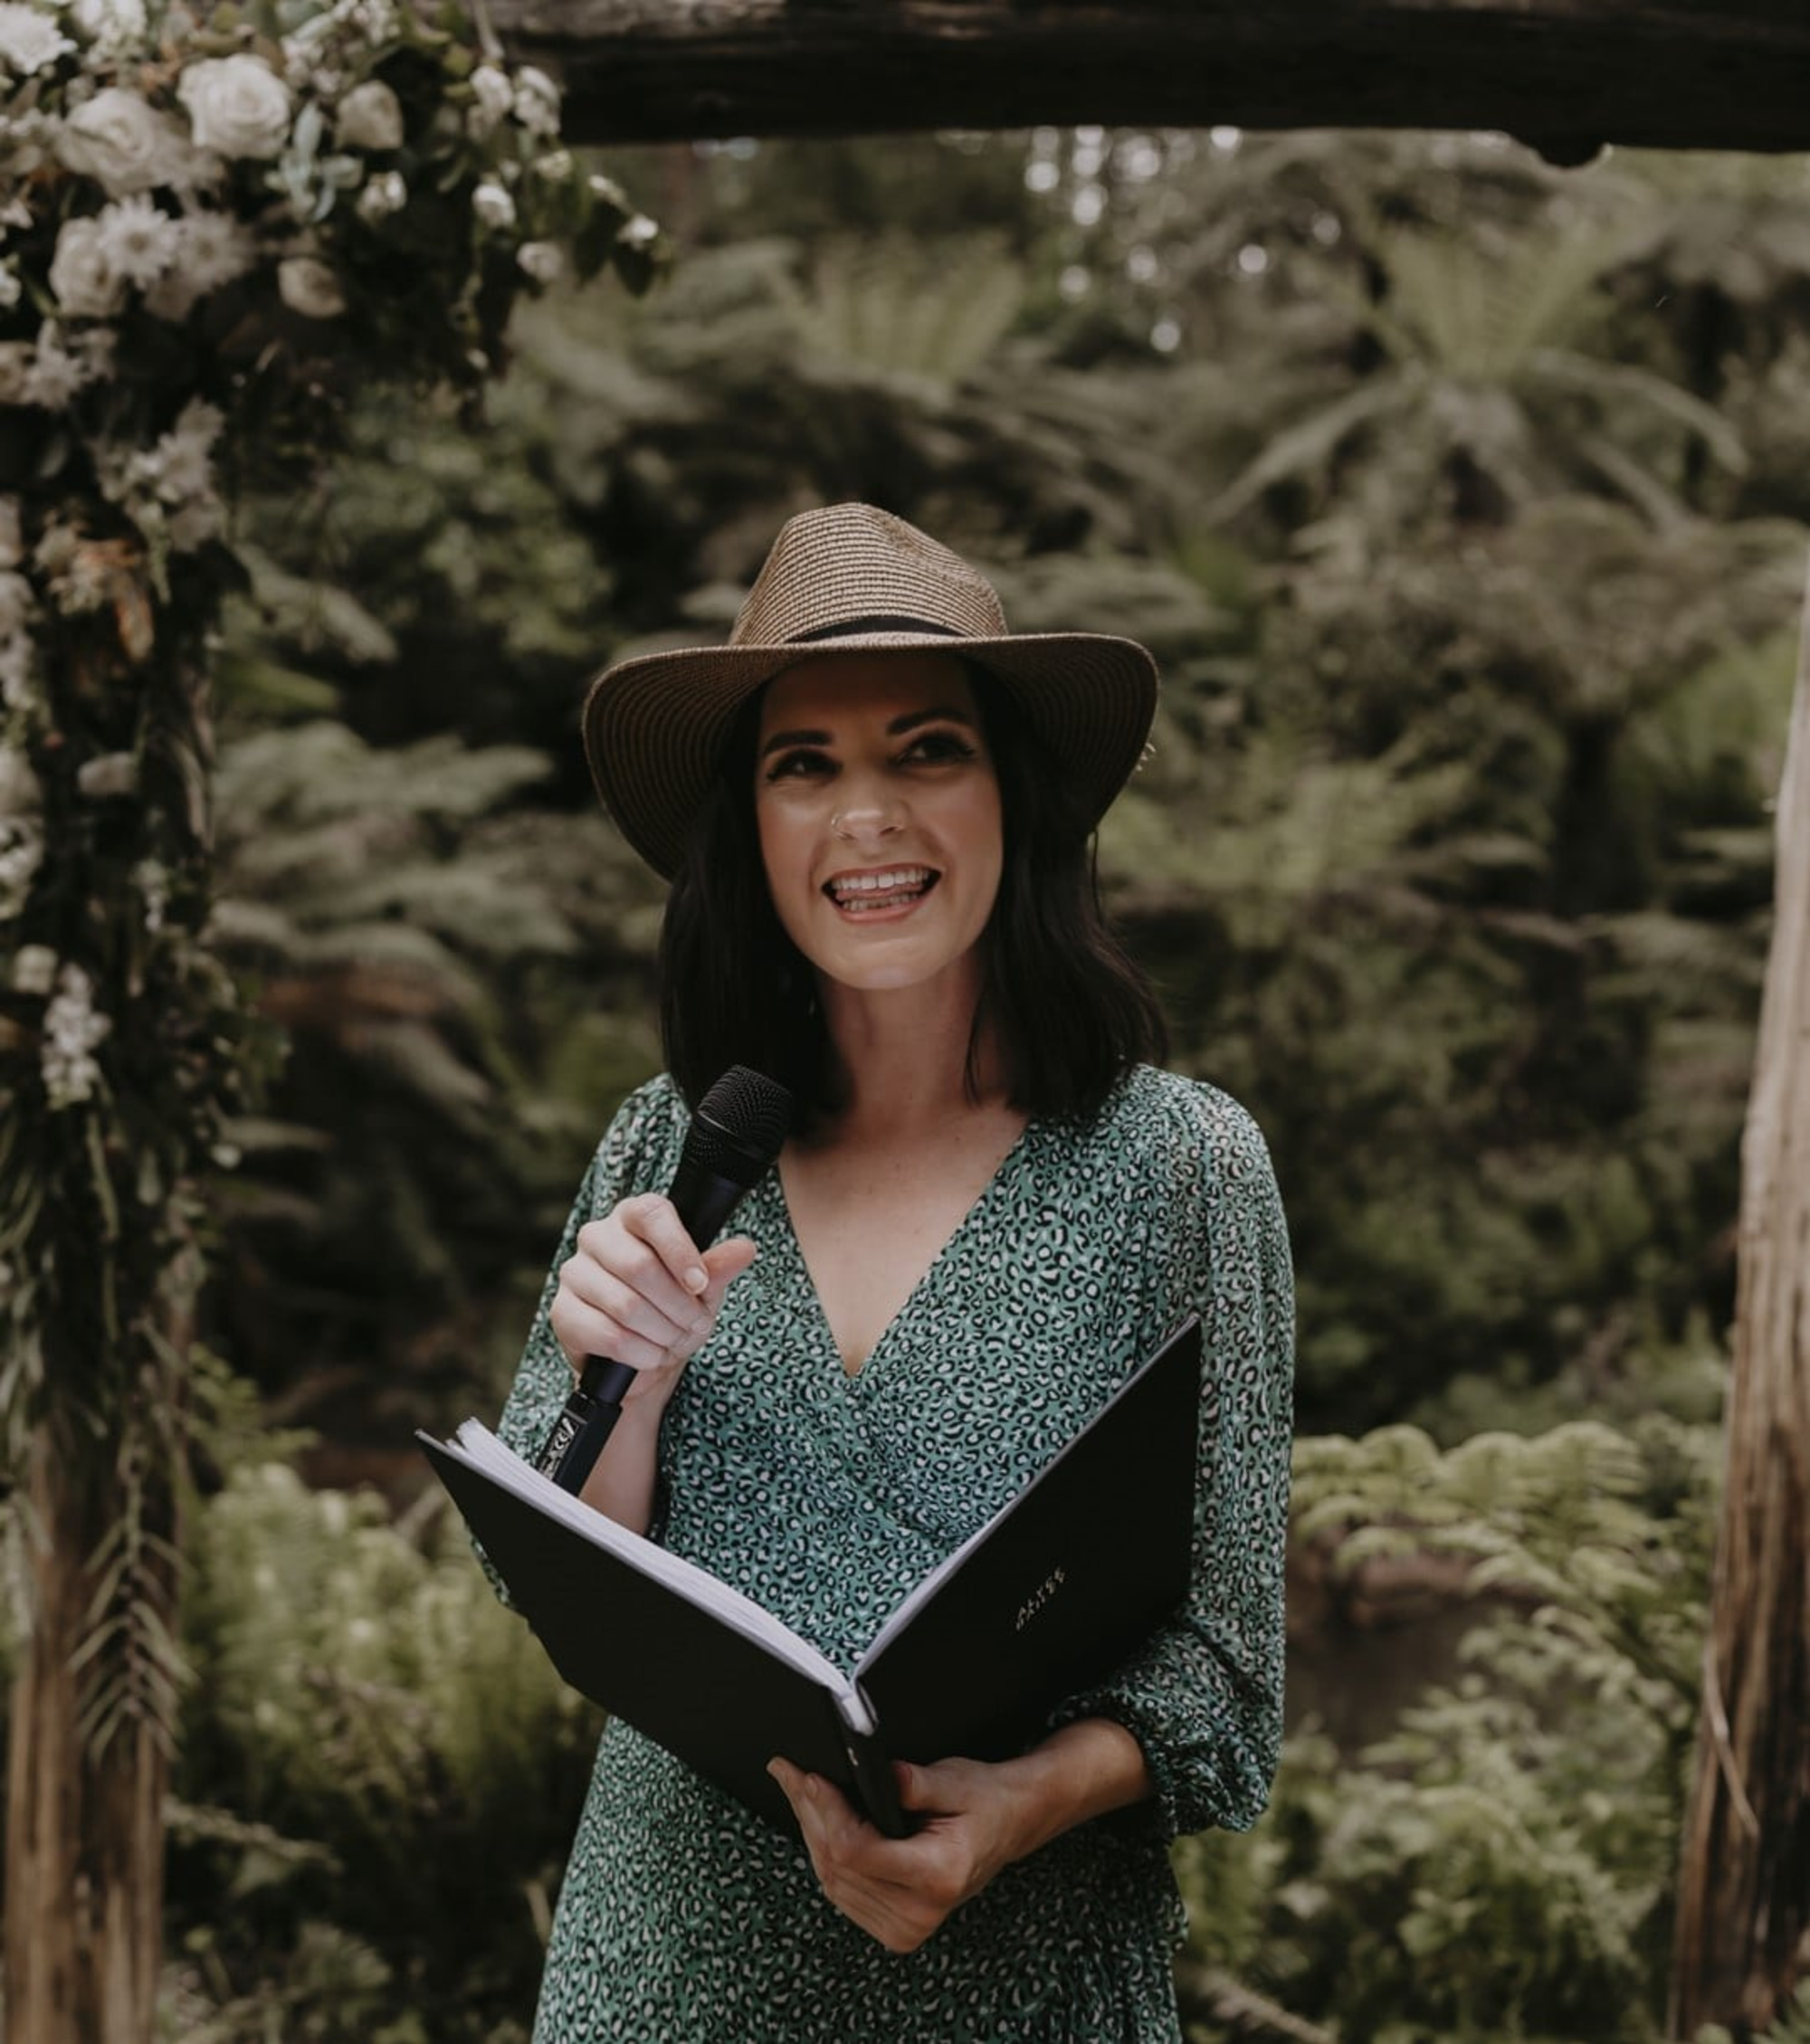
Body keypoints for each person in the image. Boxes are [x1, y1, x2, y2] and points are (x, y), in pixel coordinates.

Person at [493, 502, 1294, 2042]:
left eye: (927, 749)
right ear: (754, 827)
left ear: (1016, 799)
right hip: (663, 1983)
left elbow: (1227, 1669)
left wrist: (1017, 1806)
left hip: (1030, 1987)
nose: (868, 815)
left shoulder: (1180, 1169)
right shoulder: (664, 1146)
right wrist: (632, 1389)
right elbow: (565, 1590)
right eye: (807, 766)